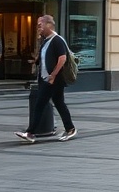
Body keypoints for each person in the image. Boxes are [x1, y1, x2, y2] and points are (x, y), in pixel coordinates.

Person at [15, 15, 76, 143]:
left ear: (49, 25)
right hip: (46, 79)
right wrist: (35, 61)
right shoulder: (45, 41)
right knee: (59, 104)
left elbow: (62, 59)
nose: (38, 27)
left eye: (40, 25)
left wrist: (53, 75)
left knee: (40, 105)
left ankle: (30, 132)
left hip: (53, 79)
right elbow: (44, 59)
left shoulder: (57, 40)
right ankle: (70, 129)